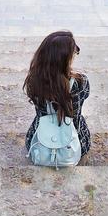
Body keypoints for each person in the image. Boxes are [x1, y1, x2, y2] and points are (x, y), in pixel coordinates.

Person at [24, 30, 91, 159]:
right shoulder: (81, 82)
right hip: (76, 142)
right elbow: (82, 100)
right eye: (74, 51)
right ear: (66, 58)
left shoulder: (34, 81)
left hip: (39, 142)